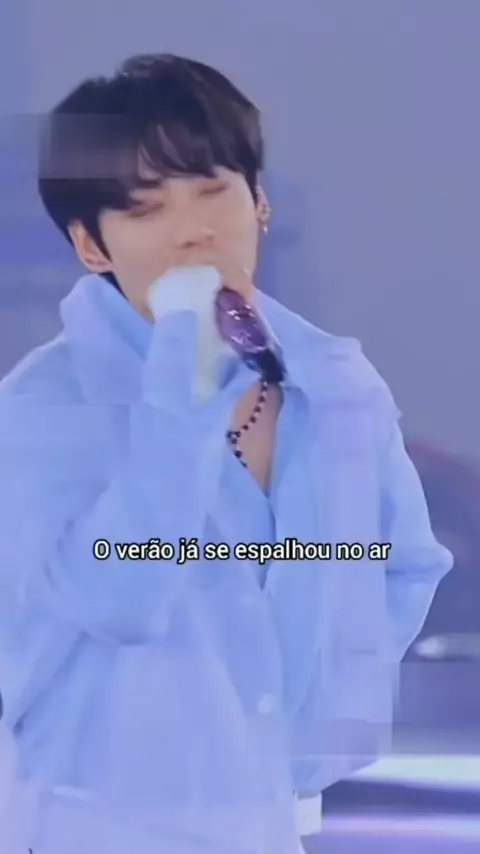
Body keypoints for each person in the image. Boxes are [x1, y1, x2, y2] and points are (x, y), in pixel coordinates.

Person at [0, 53, 453, 854]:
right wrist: (183, 386)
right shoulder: (46, 406)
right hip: (91, 823)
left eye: (213, 190)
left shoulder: (335, 380)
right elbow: (116, 597)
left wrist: (311, 731)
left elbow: (402, 564)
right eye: (144, 208)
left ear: (259, 202)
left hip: (267, 821)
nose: (193, 229)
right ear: (91, 246)